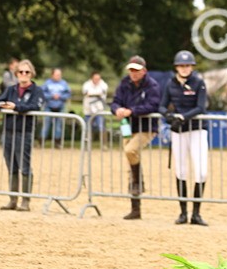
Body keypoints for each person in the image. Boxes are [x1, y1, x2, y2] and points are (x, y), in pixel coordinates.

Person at [160, 50, 210, 225]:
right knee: (180, 171)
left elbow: (201, 107)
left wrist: (183, 117)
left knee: (201, 172)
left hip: (197, 130)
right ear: (176, 67)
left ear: (191, 67)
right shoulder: (170, 84)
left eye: (187, 65)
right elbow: (162, 106)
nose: (184, 68)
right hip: (179, 132)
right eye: (181, 65)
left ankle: (196, 213)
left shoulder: (199, 83)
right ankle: (183, 213)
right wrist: (169, 116)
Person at [0, 59, 45, 211]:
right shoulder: (11, 90)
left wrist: (16, 107)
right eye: (21, 72)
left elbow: (35, 106)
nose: (24, 74)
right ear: (16, 73)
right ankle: (12, 200)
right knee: (11, 166)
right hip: (8, 132)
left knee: (24, 167)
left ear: (32, 73)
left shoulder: (36, 91)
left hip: (24, 132)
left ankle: (25, 202)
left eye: (27, 72)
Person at [111, 55, 161, 220]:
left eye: (136, 70)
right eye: (131, 70)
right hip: (129, 127)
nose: (133, 73)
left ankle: (139, 183)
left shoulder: (152, 86)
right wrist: (117, 109)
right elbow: (115, 101)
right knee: (130, 160)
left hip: (146, 128)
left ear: (144, 71)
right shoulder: (124, 83)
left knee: (130, 151)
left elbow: (153, 105)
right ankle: (135, 207)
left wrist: (132, 111)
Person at [40, 67, 71, 144]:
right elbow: (42, 93)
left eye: (59, 75)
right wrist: (51, 96)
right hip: (48, 106)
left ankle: (57, 141)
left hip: (60, 106)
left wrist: (60, 96)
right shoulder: (47, 83)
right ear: (52, 75)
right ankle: (42, 141)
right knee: (46, 124)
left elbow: (68, 94)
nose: (58, 76)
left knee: (58, 126)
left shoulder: (64, 83)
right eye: (56, 75)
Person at [82, 70, 109, 142]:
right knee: (87, 127)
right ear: (92, 78)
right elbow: (86, 93)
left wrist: (91, 94)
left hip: (99, 110)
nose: (97, 80)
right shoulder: (86, 84)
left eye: (98, 79)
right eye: (95, 79)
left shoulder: (103, 84)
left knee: (101, 127)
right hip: (88, 110)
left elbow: (102, 92)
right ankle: (87, 144)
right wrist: (97, 94)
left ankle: (104, 144)